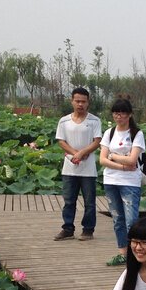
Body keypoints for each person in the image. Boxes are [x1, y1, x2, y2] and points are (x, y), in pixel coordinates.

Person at [99, 99, 146, 266]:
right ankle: (123, 253)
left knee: (131, 221)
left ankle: (136, 255)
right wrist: (122, 164)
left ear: (130, 114)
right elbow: (102, 160)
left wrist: (113, 156)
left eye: (122, 113)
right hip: (111, 180)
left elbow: (133, 160)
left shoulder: (136, 134)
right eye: (116, 113)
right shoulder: (109, 133)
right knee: (117, 218)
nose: (119, 116)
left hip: (130, 183)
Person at [53, 87, 102, 241]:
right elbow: (61, 141)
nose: (80, 104)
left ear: (88, 103)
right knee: (69, 201)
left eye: (83, 101)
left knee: (89, 202)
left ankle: (88, 230)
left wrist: (82, 153)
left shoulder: (94, 120)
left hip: (88, 170)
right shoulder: (64, 121)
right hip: (69, 168)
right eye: (77, 101)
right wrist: (76, 153)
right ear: (72, 101)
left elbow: (97, 141)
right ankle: (67, 228)